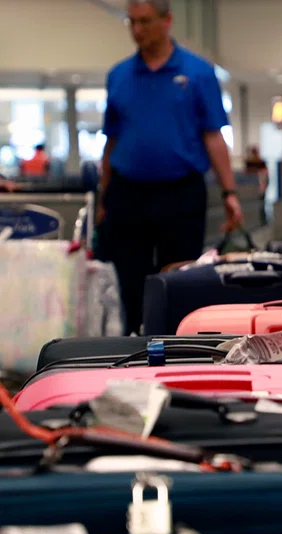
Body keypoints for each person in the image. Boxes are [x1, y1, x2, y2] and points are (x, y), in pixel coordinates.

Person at [98, 0, 244, 335]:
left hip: (180, 193)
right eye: (131, 22)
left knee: (179, 280)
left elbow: (214, 138)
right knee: (130, 282)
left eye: (145, 22)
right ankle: (132, 347)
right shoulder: (119, 75)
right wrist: (104, 197)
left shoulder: (197, 72)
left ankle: (177, 346)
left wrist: (230, 193)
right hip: (127, 193)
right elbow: (112, 142)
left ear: (167, 21)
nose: (137, 31)